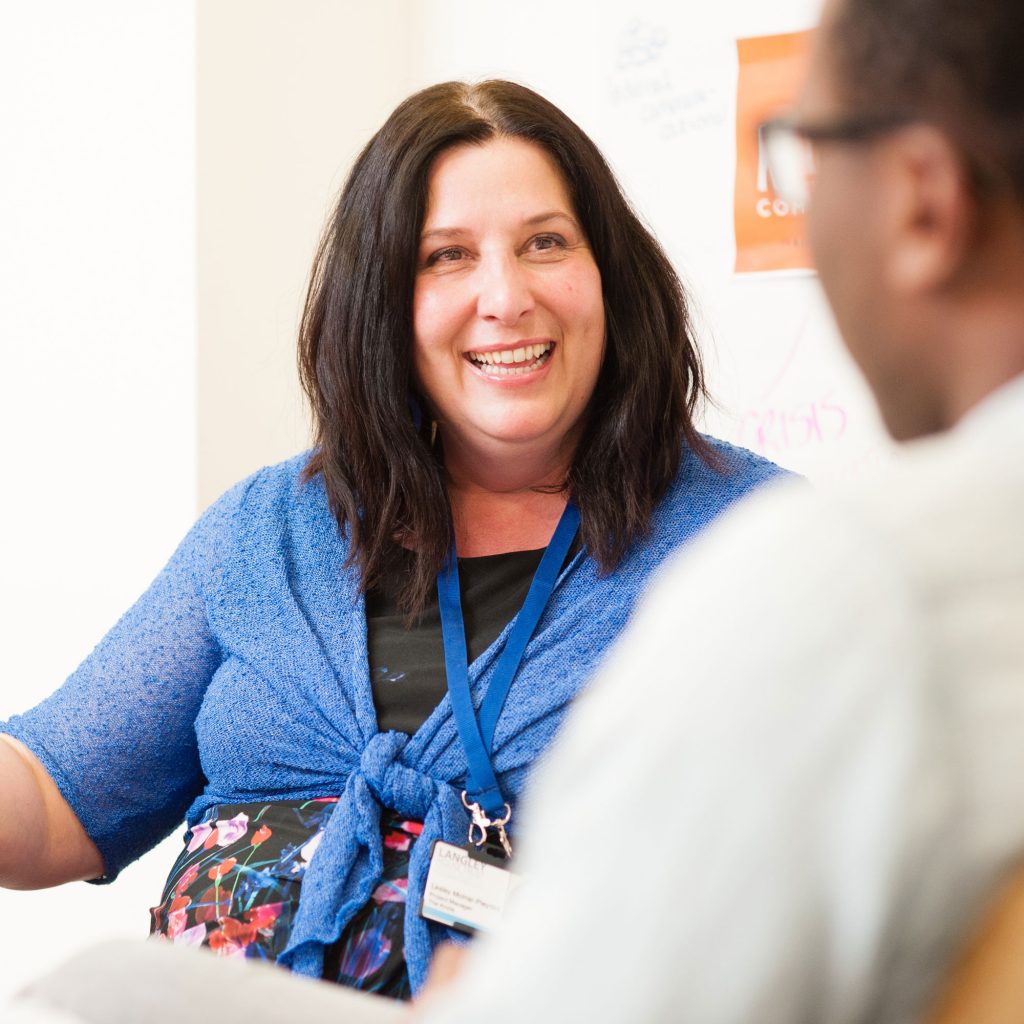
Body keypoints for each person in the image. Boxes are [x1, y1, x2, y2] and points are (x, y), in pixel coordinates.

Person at [0, 79, 785, 1002]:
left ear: (609, 272)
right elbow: (55, 802)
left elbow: (840, 883)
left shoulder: (756, 543)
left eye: (546, 242)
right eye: (445, 257)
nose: (506, 296)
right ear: (382, 303)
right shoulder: (271, 529)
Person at [409, 0, 1024, 1020]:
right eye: (444, 256)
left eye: (805, 159)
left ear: (921, 202)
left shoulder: (839, 591)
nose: (503, 297)